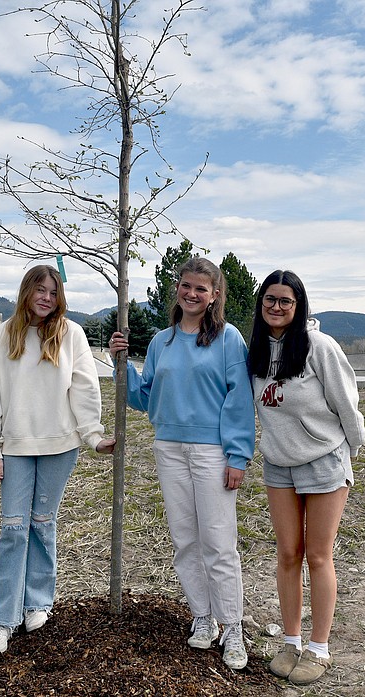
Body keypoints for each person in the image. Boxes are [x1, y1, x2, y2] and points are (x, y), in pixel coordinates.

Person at [108, 256, 255, 670]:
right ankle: (203, 617)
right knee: (185, 539)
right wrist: (123, 364)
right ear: (178, 289)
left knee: (218, 541)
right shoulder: (161, 342)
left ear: (214, 296)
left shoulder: (228, 340)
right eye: (186, 286)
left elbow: (239, 400)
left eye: (201, 289)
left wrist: (238, 454)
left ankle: (232, 627)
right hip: (168, 448)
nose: (192, 294)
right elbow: (144, 398)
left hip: (212, 452)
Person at [0, 264, 114, 657]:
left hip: (60, 445)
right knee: (14, 530)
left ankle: (37, 602)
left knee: (42, 524)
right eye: (40, 290)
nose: (47, 298)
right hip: (16, 447)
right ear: (27, 291)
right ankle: (2, 620)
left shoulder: (71, 334)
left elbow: (85, 387)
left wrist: (92, 435)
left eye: (53, 292)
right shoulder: (3, 336)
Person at [248, 270, 365, 684]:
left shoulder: (319, 347)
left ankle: (319, 648)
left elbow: (346, 403)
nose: (276, 307)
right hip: (279, 464)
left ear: (299, 306)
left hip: (323, 461)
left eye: (285, 301)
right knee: (287, 554)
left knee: (318, 555)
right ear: (260, 304)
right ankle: (291, 641)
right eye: (269, 300)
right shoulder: (257, 350)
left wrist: (351, 451)